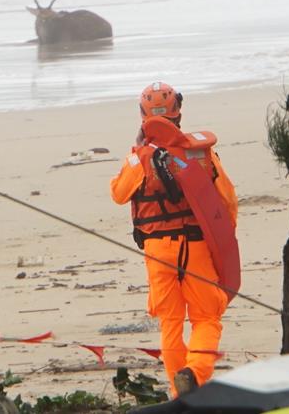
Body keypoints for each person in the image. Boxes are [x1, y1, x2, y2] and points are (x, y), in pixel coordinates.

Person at [110, 82, 238, 397]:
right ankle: (193, 375)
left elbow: (118, 193)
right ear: (178, 113)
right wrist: (223, 244)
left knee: (170, 323)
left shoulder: (138, 158)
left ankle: (179, 393)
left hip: (156, 251)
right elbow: (227, 201)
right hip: (194, 247)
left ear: (143, 117)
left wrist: (136, 151)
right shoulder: (200, 153)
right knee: (207, 318)